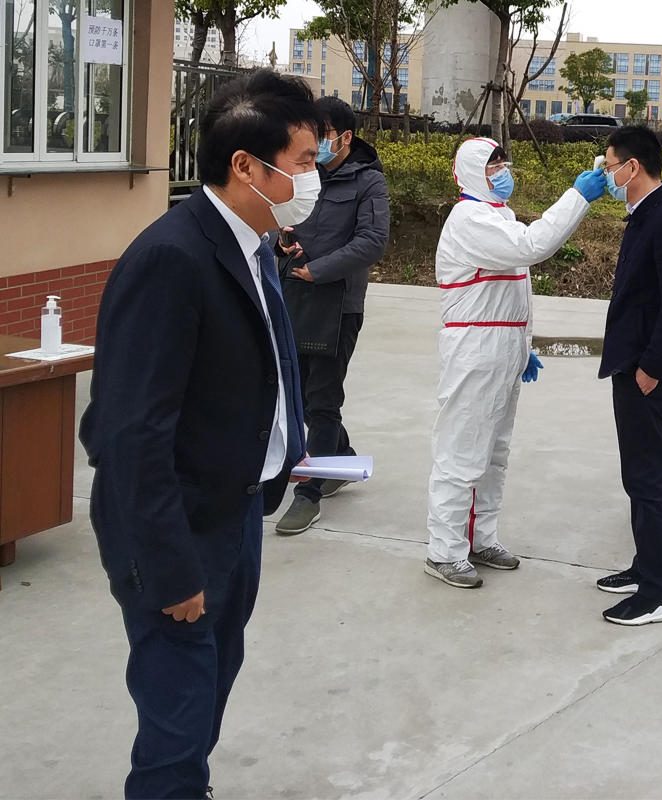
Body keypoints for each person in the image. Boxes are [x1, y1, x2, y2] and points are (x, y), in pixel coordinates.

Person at [79, 70, 318, 798]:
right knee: (177, 721)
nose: (312, 180)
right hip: (179, 530)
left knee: (211, 683)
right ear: (246, 165)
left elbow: (260, 369)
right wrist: (170, 569)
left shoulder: (253, 246)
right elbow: (127, 433)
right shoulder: (172, 258)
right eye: (304, 162)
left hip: (235, 509)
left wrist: (286, 450)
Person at [425, 137, 606, 588]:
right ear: (472, 173)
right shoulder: (469, 219)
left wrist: (522, 345)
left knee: (494, 454)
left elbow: (512, 292)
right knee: (462, 451)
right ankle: (444, 551)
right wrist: (578, 195)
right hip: (475, 346)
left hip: (501, 344)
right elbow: (532, 245)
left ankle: (481, 538)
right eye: (492, 166)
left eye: (503, 162)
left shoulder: (497, 216)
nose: (502, 171)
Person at [594, 126, 662, 626]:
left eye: (609, 165)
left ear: (632, 167)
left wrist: (652, 368)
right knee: (638, 476)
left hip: (647, 371)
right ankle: (645, 567)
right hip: (631, 362)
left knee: (651, 479)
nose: (605, 173)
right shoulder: (646, 213)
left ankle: (660, 594)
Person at [274, 96, 390, 535]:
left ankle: (308, 494)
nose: (315, 143)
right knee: (300, 396)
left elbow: (373, 240)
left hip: (338, 304)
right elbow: (279, 219)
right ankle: (340, 458)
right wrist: (281, 240)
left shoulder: (368, 181)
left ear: (345, 136)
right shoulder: (303, 175)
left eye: (322, 134)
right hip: (295, 295)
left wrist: (319, 269)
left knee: (322, 399)